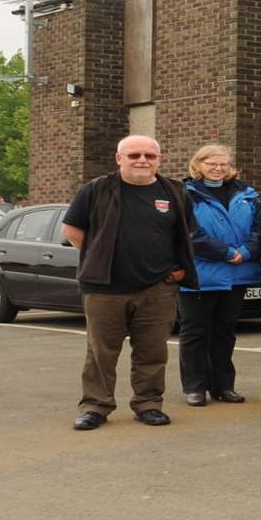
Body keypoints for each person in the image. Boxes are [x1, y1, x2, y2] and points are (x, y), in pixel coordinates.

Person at [62, 135, 197, 430]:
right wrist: (100, 254)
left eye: (150, 155)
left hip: (157, 289)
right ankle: (95, 407)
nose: (142, 160)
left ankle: (148, 404)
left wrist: (177, 269)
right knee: (101, 353)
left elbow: (184, 234)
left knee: (153, 351)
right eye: (134, 154)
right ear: (119, 158)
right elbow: (72, 229)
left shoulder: (175, 191)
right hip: (105, 288)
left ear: (159, 159)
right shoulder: (96, 189)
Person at [178, 144, 260, 407]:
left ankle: (224, 386)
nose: (218, 168)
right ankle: (195, 387)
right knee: (195, 333)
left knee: (225, 333)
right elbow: (189, 234)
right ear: (198, 165)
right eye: (211, 163)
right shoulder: (185, 194)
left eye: (223, 163)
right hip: (201, 276)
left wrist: (246, 252)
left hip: (237, 275)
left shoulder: (247, 193)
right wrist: (226, 253)